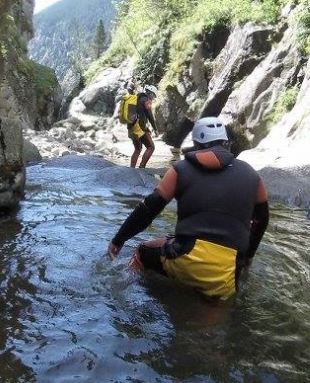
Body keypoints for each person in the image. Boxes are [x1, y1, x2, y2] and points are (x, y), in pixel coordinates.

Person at [107, 116, 269, 301]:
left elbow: (148, 209)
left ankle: (119, 294)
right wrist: (248, 257)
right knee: (212, 321)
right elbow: (261, 220)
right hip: (229, 269)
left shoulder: (181, 169)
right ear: (226, 142)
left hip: (187, 257)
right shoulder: (252, 175)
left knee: (142, 252)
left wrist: (118, 240)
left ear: (197, 144)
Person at [121, 85, 158, 168]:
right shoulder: (146, 100)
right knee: (151, 147)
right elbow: (150, 115)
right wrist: (155, 129)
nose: (153, 98)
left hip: (131, 127)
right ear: (150, 93)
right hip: (139, 128)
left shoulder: (137, 99)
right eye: (153, 95)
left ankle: (132, 168)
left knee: (137, 149)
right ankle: (142, 167)